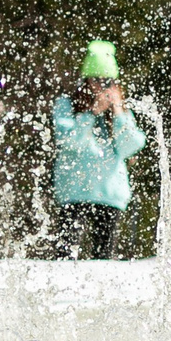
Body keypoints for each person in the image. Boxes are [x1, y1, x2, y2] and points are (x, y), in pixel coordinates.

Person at [50, 40, 145, 260]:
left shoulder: (120, 113)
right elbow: (69, 142)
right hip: (74, 192)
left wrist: (119, 111)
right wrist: (91, 113)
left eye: (108, 81)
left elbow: (131, 145)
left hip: (110, 195)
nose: (102, 87)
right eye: (98, 80)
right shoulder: (67, 105)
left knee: (104, 258)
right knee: (65, 256)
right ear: (86, 81)